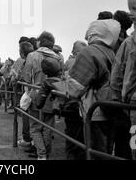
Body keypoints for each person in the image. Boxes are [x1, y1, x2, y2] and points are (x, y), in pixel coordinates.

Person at [68, 19, 121, 158]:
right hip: (112, 106)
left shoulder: (89, 52)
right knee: (107, 150)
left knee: (94, 151)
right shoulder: (112, 51)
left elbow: (75, 89)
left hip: (94, 111)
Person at [22, 31, 61, 160]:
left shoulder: (32, 56)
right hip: (52, 95)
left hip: (36, 94)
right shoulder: (58, 57)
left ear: (40, 42)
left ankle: (42, 154)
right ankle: (46, 153)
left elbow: (26, 76)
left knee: (35, 127)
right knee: (48, 127)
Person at [111, 0, 136, 160]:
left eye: (135, 9)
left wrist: (123, 98)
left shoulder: (131, 42)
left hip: (134, 103)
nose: (131, 14)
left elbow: (119, 77)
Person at [63, 40, 87, 160]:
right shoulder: (74, 62)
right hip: (75, 103)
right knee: (77, 133)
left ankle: (73, 154)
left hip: (72, 103)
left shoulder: (68, 62)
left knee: (73, 133)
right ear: (75, 51)